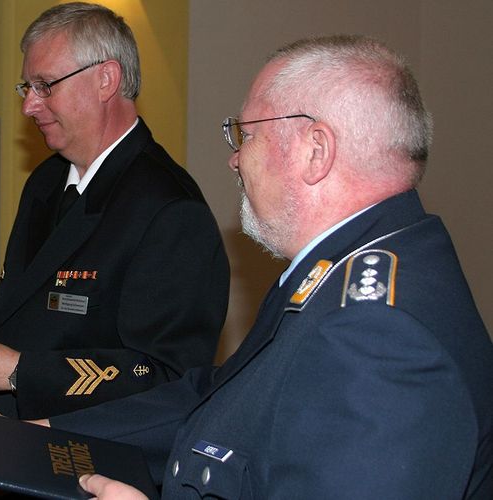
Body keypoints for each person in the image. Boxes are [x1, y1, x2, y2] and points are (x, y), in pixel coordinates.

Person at [47, 35, 493, 498]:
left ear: (315, 150)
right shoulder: (339, 268)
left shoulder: (378, 335)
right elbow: (221, 397)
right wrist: (49, 431)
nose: (235, 159)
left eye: (247, 134)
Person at [0, 2, 229, 420]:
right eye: (26, 87)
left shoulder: (169, 210)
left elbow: (166, 379)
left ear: (106, 79)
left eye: (45, 85)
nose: (29, 105)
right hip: (15, 451)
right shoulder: (47, 180)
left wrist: (19, 372)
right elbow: (47, 309)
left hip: (93, 469)